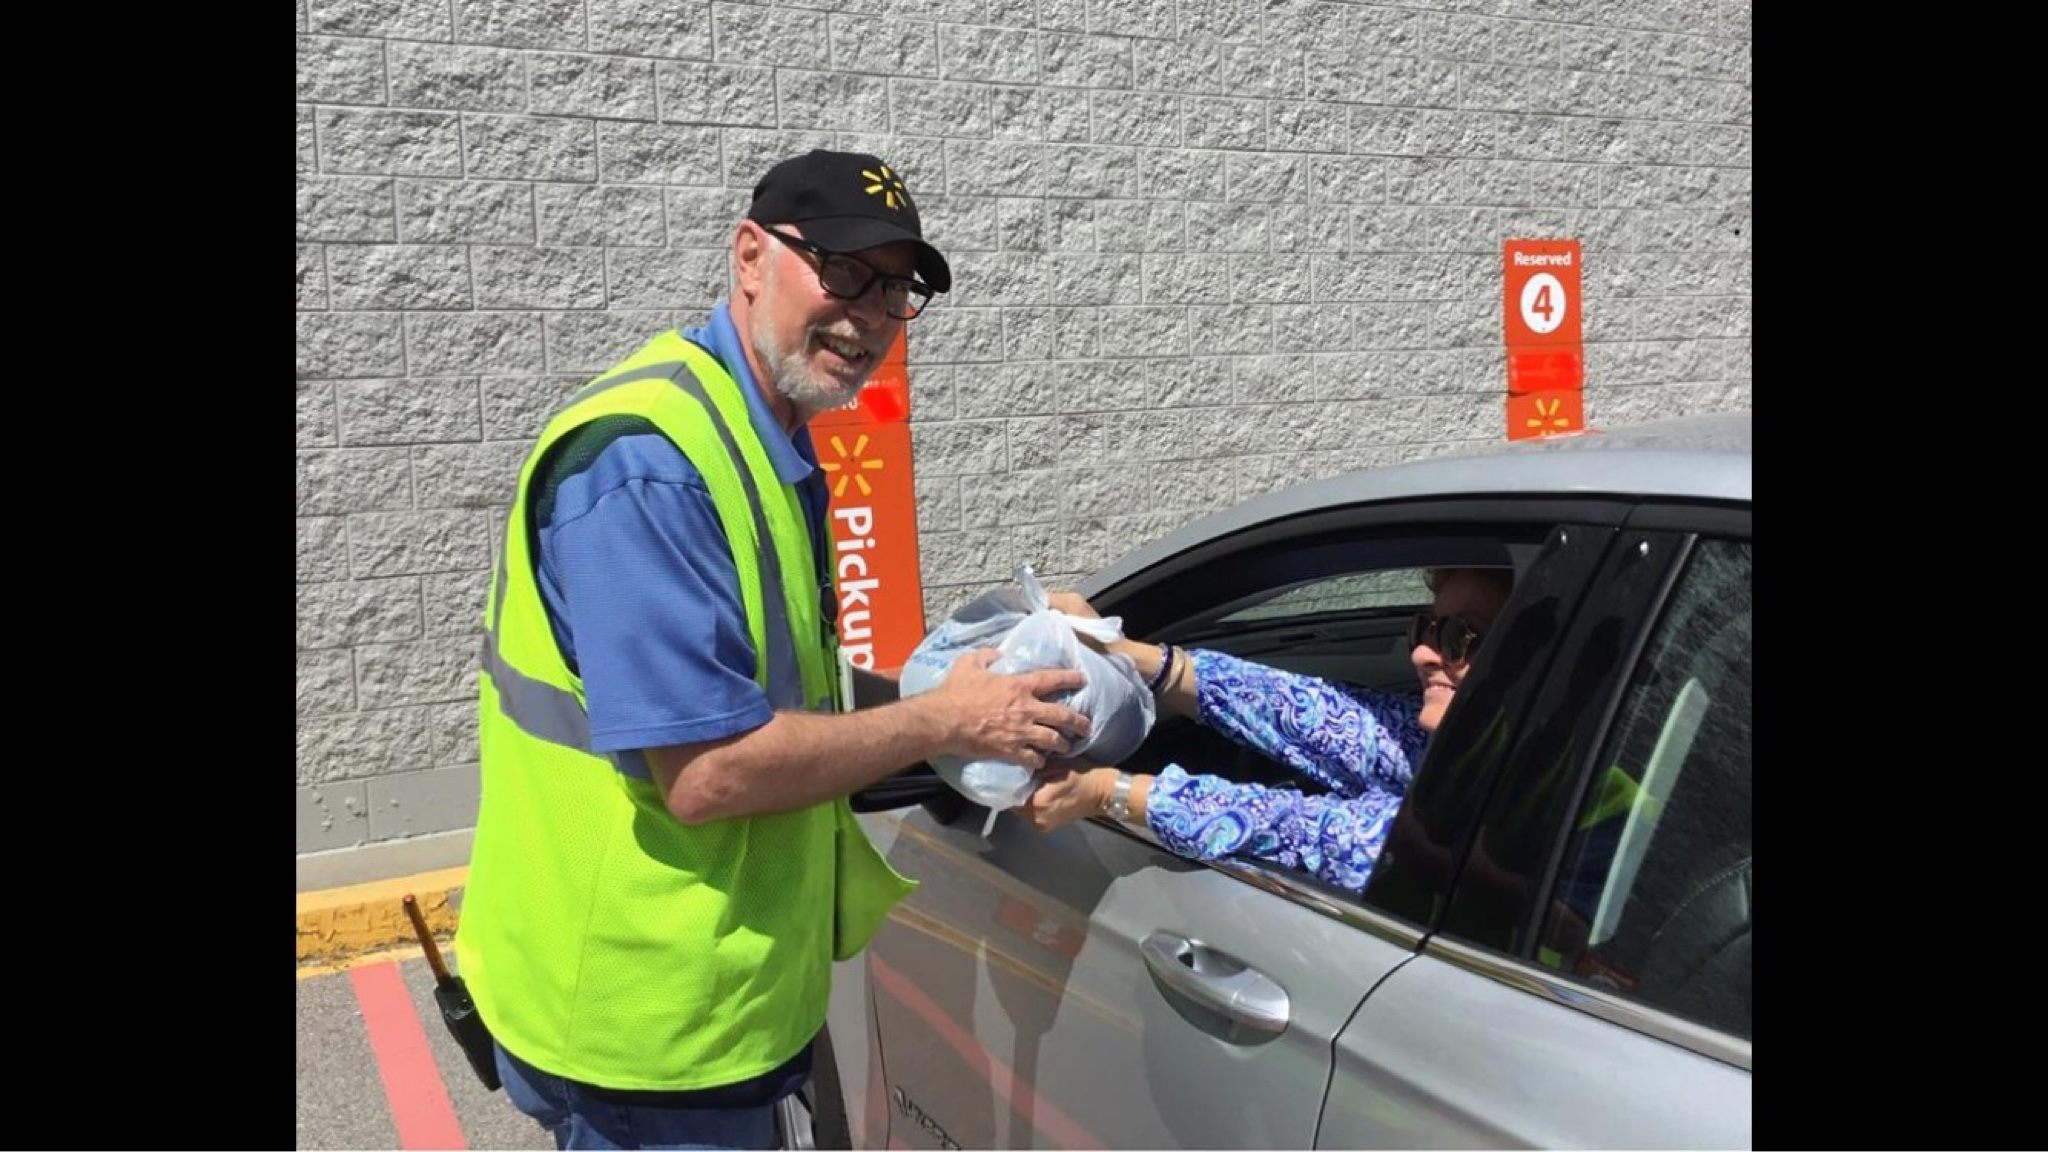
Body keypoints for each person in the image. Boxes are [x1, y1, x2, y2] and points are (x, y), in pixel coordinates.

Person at [455, 149, 1092, 1150]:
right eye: (842, 271)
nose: (869, 316)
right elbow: (708, 771)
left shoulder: (766, 432)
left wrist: (978, 680)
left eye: (895, 289)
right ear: (750, 256)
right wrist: (944, 720)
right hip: (643, 1027)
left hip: (714, 1006)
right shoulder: (650, 467)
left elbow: (796, 690)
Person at [1023, 567, 1512, 894]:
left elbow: (1319, 833)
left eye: (1459, 637)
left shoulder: (1527, 805)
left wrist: (1106, 791)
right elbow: (1327, 719)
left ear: (1533, 656)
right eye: (1426, 629)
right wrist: (1124, 652)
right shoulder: (1484, 742)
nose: (1423, 654)